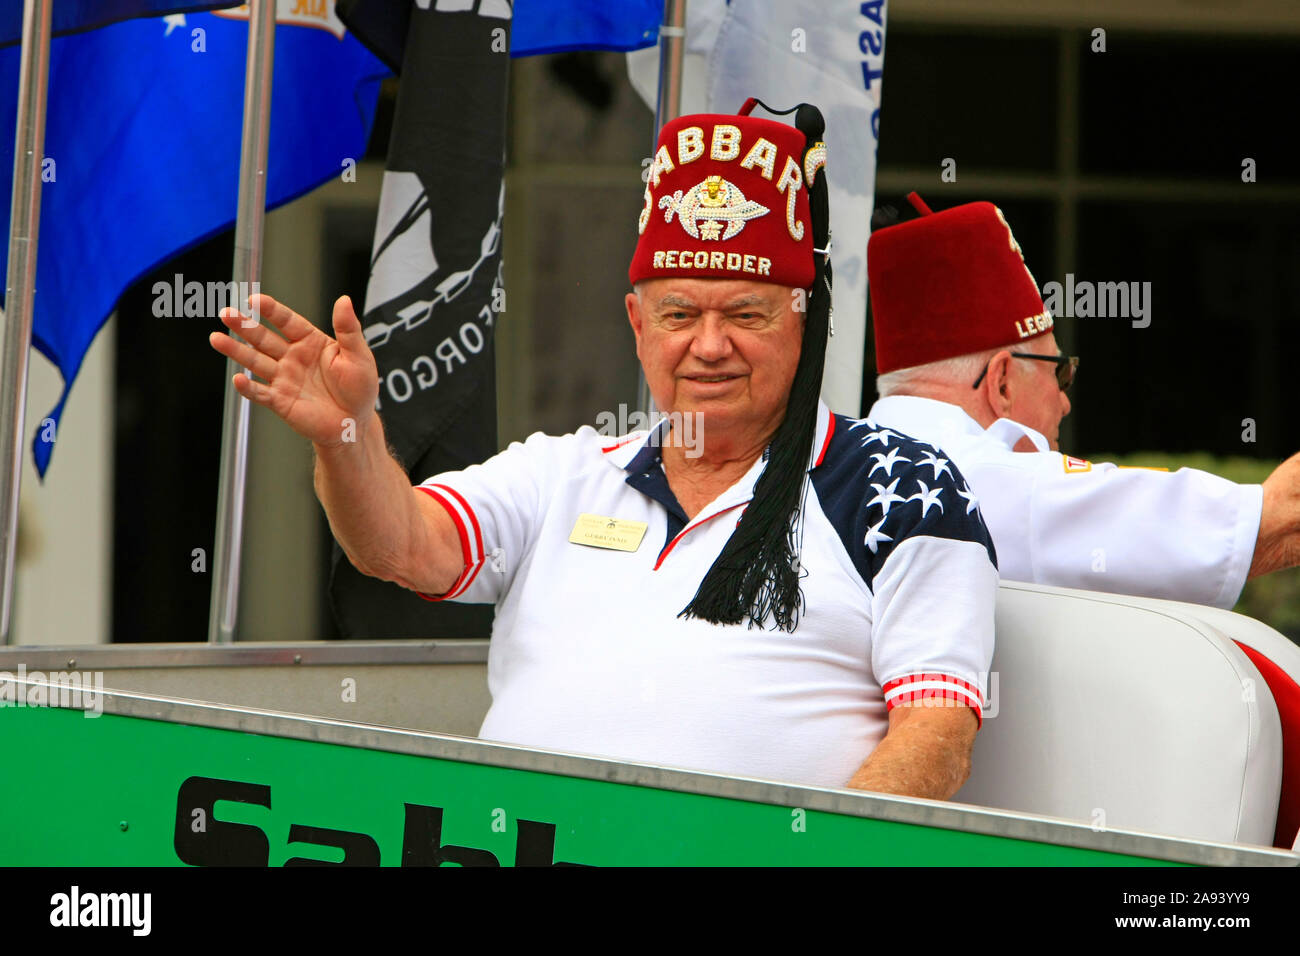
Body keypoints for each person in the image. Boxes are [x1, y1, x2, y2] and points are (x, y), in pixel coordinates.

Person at [209, 106, 998, 799]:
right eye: (679, 312)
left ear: (804, 321)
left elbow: (937, 737)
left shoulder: (897, 484)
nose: (709, 346)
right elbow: (402, 547)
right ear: (636, 323)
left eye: (748, 314)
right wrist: (346, 433)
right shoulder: (563, 473)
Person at [865, 194, 1297, 608]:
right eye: (1059, 372)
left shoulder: (832, 458)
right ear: (1001, 384)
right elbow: (1274, 520)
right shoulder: (990, 483)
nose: (1066, 402)